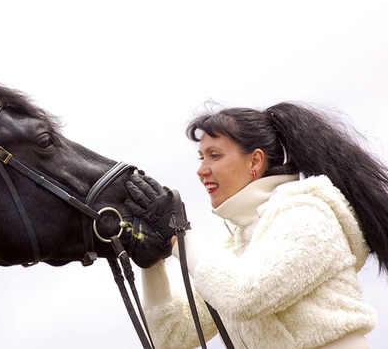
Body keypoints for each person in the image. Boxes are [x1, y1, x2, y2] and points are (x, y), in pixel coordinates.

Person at [125, 101, 388, 349]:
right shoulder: (239, 245)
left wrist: (178, 236)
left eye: (214, 155)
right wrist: (152, 257)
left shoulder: (306, 213)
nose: (201, 170)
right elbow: (170, 336)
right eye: (201, 158)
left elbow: (244, 296)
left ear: (255, 161)